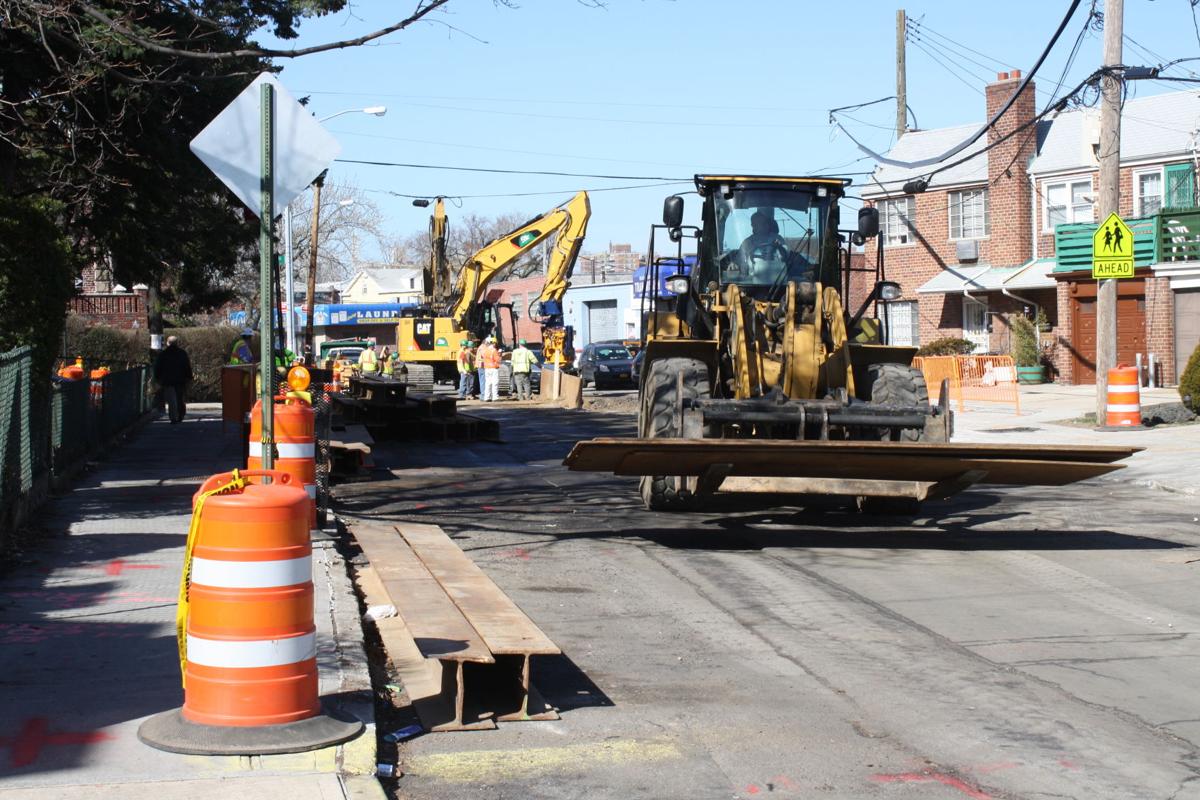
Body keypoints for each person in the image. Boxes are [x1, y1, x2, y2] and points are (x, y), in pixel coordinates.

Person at [154, 335, 192, 424]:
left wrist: (158, 378)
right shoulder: (182, 353)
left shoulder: (163, 354)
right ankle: (180, 415)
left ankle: (173, 417)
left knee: (171, 400)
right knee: (180, 398)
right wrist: (189, 377)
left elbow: (158, 367)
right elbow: (187, 366)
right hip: (180, 379)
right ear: (177, 343)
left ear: (168, 343)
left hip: (168, 380)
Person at [478, 336, 502, 402]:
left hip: (487, 368)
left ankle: (487, 397)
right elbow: (498, 360)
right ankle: (495, 397)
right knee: (495, 383)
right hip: (494, 368)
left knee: (488, 383)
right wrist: (500, 354)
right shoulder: (494, 351)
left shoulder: (485, 350)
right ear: (494, 343)